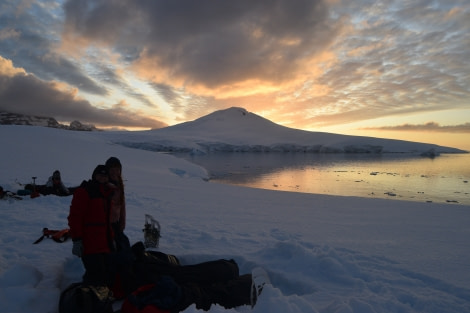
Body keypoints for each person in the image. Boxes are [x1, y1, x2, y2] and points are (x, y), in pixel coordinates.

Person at [68, 165, 120, 287]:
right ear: (94, 176)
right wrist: (77, 240)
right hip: (90, 244)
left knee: (107, 274)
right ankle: (87, 299)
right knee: (96, 275)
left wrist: (111, 238)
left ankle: (101, 299)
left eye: (105, 175)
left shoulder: (107, 193)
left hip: (104, 243)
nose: (102, 178)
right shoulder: (84, 191)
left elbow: (107, 222)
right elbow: (75, 217)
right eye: (100, 175)